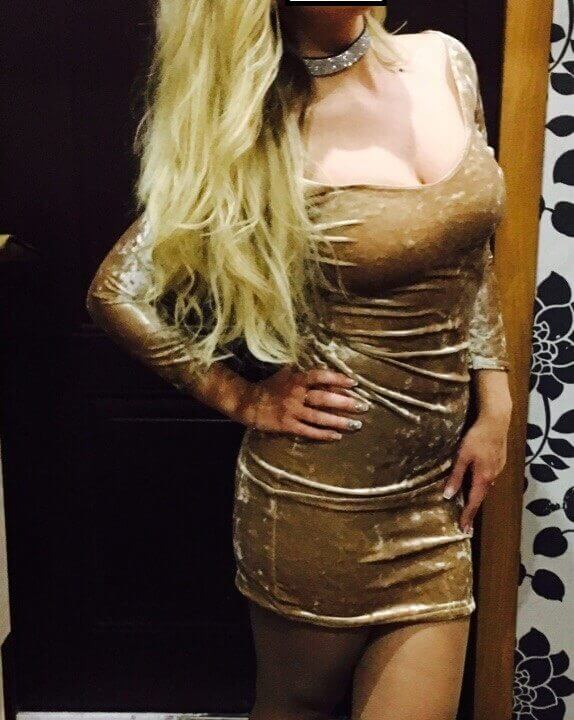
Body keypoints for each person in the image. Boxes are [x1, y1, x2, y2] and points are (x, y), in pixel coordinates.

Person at [85, 2, 513, 718]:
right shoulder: (252, 131)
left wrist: (495, 402)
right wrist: (240, 397)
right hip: (319, 507)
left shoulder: (447, 61)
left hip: (436, 507)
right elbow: (115, 292)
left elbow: (470, 256)